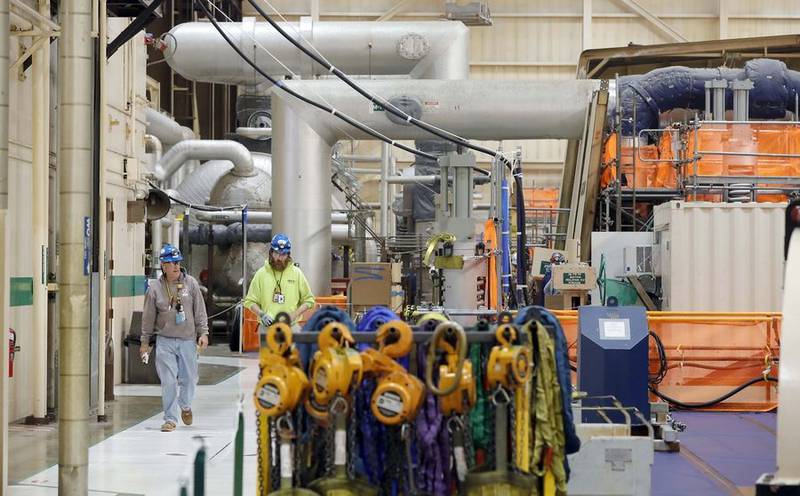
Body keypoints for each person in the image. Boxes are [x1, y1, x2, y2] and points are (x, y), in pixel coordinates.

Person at [140, 243, 209, 432]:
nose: (176, 266)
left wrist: (203, 333)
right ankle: (170, 418)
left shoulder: (191, 284)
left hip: (187, 339)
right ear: (163, 264)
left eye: (178, 262)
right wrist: (145, 342)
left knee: (190, 378)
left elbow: (200, 311)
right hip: (165, 340)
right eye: (172, 263)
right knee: (168, 380)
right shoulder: (155, 289)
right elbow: (148, 318)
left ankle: (185, 405)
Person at [245, 233, 315, 327]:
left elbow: (309, 300)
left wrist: (295, 314)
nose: (279, 258)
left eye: (283, 254)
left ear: (288, 254)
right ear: (271, 253)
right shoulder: (261, 274)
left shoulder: (297, 274)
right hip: (267, 328)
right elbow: (250, 301)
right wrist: (262, 314)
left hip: (291, 327)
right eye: (276, 253)